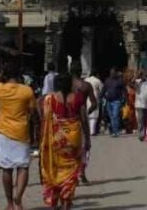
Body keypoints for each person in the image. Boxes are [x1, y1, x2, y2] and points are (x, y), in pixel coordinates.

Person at [0, 61, 38, 210]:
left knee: (7, 168)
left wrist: (1, 73)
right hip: (21, 132)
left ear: (5, 74)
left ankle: (10, 203)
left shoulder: (0, 89)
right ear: (20, 74)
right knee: (23, 166)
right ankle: (18, 197)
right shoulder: (27, 91)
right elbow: (33, 112)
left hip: (4, 133)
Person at [40, 72, 88, 210]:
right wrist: (88, 139)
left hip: (56, 140)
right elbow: (83, 119)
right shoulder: (78, 98)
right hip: (74, 140)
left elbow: (44, 119)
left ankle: (54, 201)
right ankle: (66, 201)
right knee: (72, 171)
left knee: (54, 169)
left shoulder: (49, 99)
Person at [70, 65, 97, 184]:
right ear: (81, 71)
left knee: (70, 147)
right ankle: (81, 173)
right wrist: (87, 112)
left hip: (68, 118)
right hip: (81, 117)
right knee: (84, 146)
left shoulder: (66, 85)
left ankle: (72, 174)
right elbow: (94, 103)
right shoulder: (86, 86)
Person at [102, 68, 126, 137]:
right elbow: (104, 89)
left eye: (113, 72)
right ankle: (114, 131)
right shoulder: (107, 81)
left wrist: (126, 99)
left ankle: (115, 131)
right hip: (108, 101)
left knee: (115, 116)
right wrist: (101, 97)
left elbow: (124, 90)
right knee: (112, 117)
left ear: (116, 73)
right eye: (111, 72)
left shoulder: (120, 81)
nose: (112, 74)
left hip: (117, 101)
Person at [134, 70, 147, 141]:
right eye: (142, 75)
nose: (143, 76)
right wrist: (136, 75)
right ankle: (141, 134)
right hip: (139, 104)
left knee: (146, 120)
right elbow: (132, 84)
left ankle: (145, 133)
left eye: (144, 75)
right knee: (140, 120)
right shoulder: (137, 82)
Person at [84, 69, 103, 136]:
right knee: (94, 116)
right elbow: (101, 90)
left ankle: (87, 130)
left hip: (86, 99)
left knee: (87, 115)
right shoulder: (97, 81)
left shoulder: (86, 80)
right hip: (94, 99)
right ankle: (92, 131)